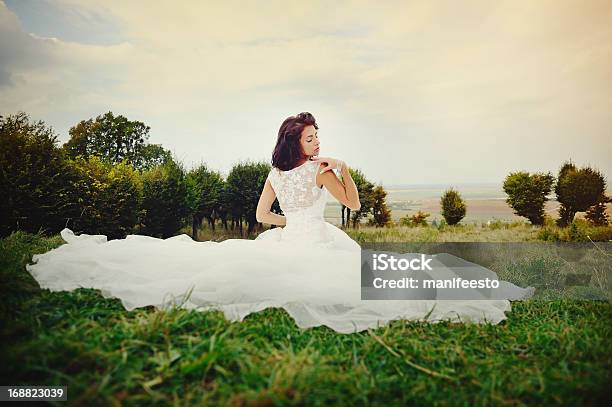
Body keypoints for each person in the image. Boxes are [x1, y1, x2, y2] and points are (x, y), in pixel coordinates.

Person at [26, 112, 534, 334]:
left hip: (291, 238)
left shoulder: (279, 172)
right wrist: (346, 173)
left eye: (320, 138)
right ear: (298, 142)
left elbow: (260, 216)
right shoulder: (316, 172)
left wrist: (285, 227)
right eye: (312, 138)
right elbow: (353, 206)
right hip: (314, 242)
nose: (318, 143)